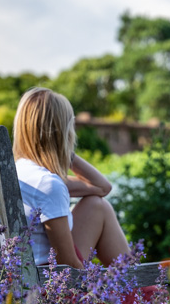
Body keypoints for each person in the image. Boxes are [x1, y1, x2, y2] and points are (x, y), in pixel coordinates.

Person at [12, 86, 131, 269]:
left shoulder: (21, 173)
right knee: (100, 206)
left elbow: (102, 187)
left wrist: (63, 152)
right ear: (63, 133)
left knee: (97, 205)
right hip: (47, 286)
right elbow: (67, 265)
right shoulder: (47, 185)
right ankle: (139, 290)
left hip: (23, 276)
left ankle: (139, 288)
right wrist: (98, 286)